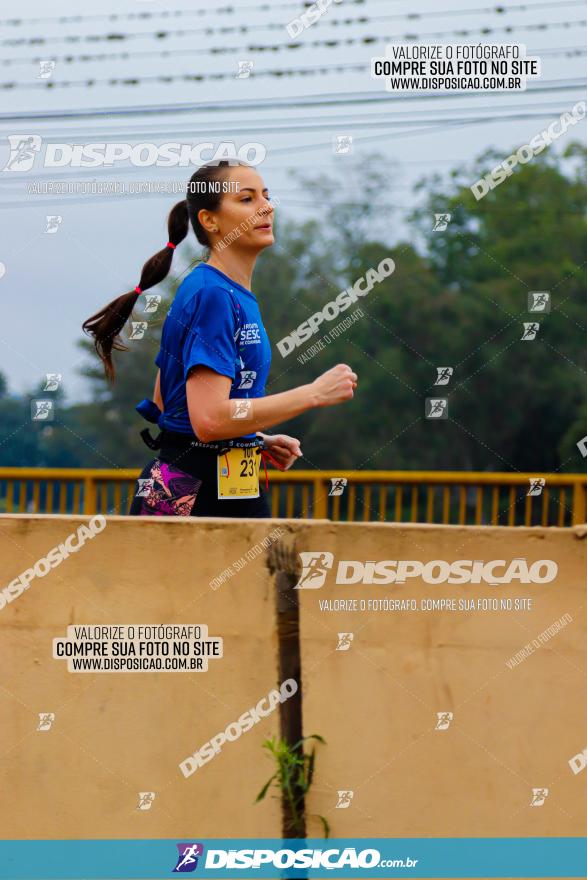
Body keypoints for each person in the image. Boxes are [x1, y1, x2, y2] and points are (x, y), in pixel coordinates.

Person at [82, 160, 358, 518]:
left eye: (266, 196)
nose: (266, 207)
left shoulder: (219, 289)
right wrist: (313, 394)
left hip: (204, 480)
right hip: (189, 486)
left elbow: (168, 400)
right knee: (178, 575)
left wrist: (253, 438)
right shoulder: (212, 292)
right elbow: (209, 420)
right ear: (209, 221)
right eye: (246, 199)